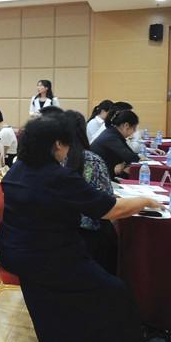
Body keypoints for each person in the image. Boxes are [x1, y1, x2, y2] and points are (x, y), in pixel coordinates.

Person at [0, 115, 170, 342]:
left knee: (101, 274)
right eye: (67, 144)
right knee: (115, 289)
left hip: (13, 248)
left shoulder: (18, 169)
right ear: (57, 144)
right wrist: (145, 200)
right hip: (43, 255)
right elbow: (110, 211)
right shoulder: (57, 176)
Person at [61, 110, 118, 275]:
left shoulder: (52, 160)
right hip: (91, 236)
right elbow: (107, 203)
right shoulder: (93, 160)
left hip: (58, 234)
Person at [90, 108, 141, 178]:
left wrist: (123, 164)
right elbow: (133, 158)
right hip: (98, 177)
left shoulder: (113, 133)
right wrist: (124, 164)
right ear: (126, 125)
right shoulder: (111, 137)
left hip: (105, 172)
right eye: (134, 128)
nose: (134, 132)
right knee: (131, 170)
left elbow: (131, 155)